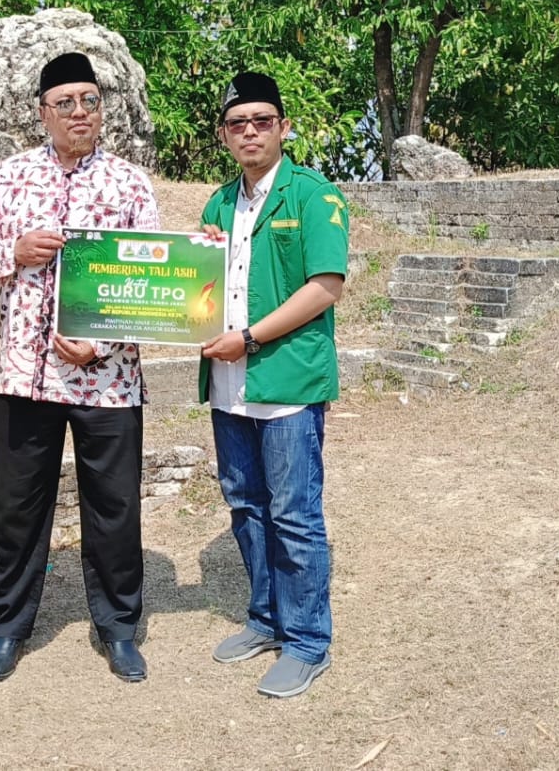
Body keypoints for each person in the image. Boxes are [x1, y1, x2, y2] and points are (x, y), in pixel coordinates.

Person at [0, 52, 161, 684]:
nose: (80, 113)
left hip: (108, 380)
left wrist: (103, 343)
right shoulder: (8, 177)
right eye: (65, 103)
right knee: (18, 509)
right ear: (42, 112)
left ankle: (119, 628)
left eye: (90, 101)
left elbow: (151, 281)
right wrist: (12, 251)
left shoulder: (130, 184)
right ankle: (10, 628)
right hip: (25, 376)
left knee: (115, 509)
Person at [198, 70, 348, 699]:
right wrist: (194, 254)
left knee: (294, 514)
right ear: (226, 135)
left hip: (285, 382)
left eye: (263, 120)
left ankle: (308, 640)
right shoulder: (217, 204)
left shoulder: (314, 196)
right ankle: (266, 619)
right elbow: (195, 287)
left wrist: (252, 338)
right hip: (229, 385)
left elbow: (325, 286)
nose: (251, 132)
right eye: (239, 123)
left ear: (284, 127)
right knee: (247, 507)